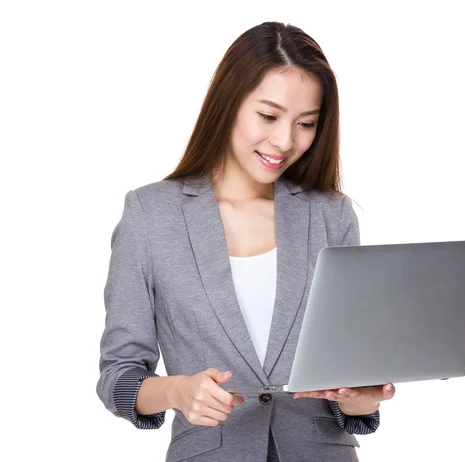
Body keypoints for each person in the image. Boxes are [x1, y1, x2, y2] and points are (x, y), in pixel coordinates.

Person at [96, 21, 395, 462]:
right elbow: (118, 378)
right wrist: (178, 390)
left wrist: (362, 399)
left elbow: (350, 375)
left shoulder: (331, 215)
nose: (285, 141)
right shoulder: (151, 214)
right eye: (269, 116)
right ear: (229, 103)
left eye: (306, 123)